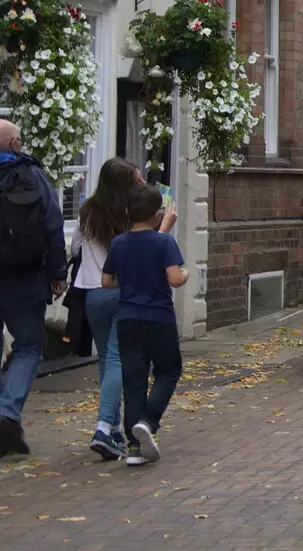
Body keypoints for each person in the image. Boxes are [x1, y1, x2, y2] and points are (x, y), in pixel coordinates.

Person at [73, 158, 175, 461]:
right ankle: (104, 426)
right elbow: (151, 254)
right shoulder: (130, 217)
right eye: (137, 178)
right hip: (122, 292)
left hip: (92, 292)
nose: (142, 181)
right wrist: (164, 228)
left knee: (106, 358)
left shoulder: (88, 211)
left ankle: (115, 427)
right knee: (118, 358)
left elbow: (76, 248)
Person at [102, 183, 187, 466]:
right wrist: (185, 274)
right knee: (168, 370)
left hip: (127, 319)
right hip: (159, 317)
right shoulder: (164, 242)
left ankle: (135, 448)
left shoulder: (118, 243)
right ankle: (148, 421)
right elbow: (174, 279)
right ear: (157, 215)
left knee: (134, 380)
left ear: (128, 212)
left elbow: (106, 281)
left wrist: (126, 283)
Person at [0, 120, 67, 457]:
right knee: (28, 346)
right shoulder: (32, 175)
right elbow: (53, 224)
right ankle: (7, 415)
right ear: (13, 143)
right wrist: (58, 272)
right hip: (24, 278)